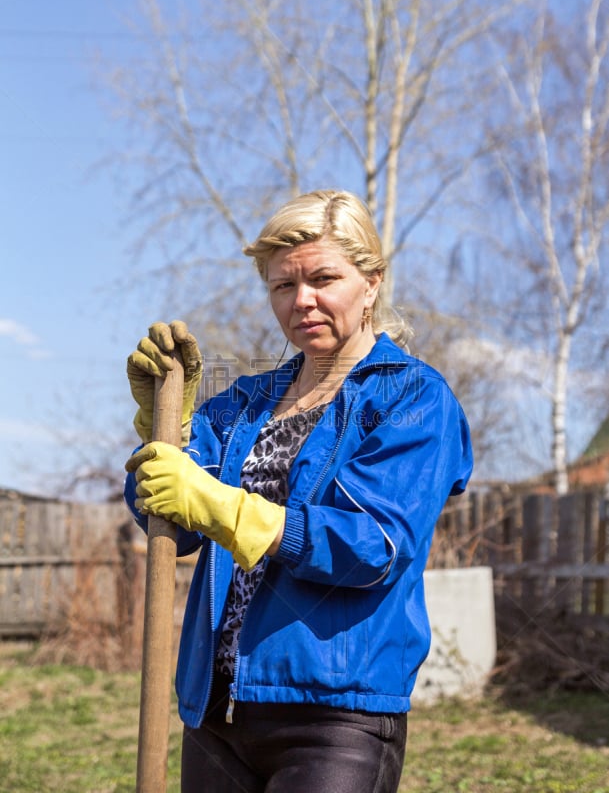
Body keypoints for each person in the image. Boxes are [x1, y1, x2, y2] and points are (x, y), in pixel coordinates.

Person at [124, 189, 473, 793]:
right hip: (215, 707)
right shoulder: (242, 404)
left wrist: (221, 505)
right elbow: (168, 522)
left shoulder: (411, 399)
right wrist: (168, 432)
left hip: (336, 715)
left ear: (372, 282)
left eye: (323, 278)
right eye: (282, 285)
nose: (301, 301)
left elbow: (373, 546)